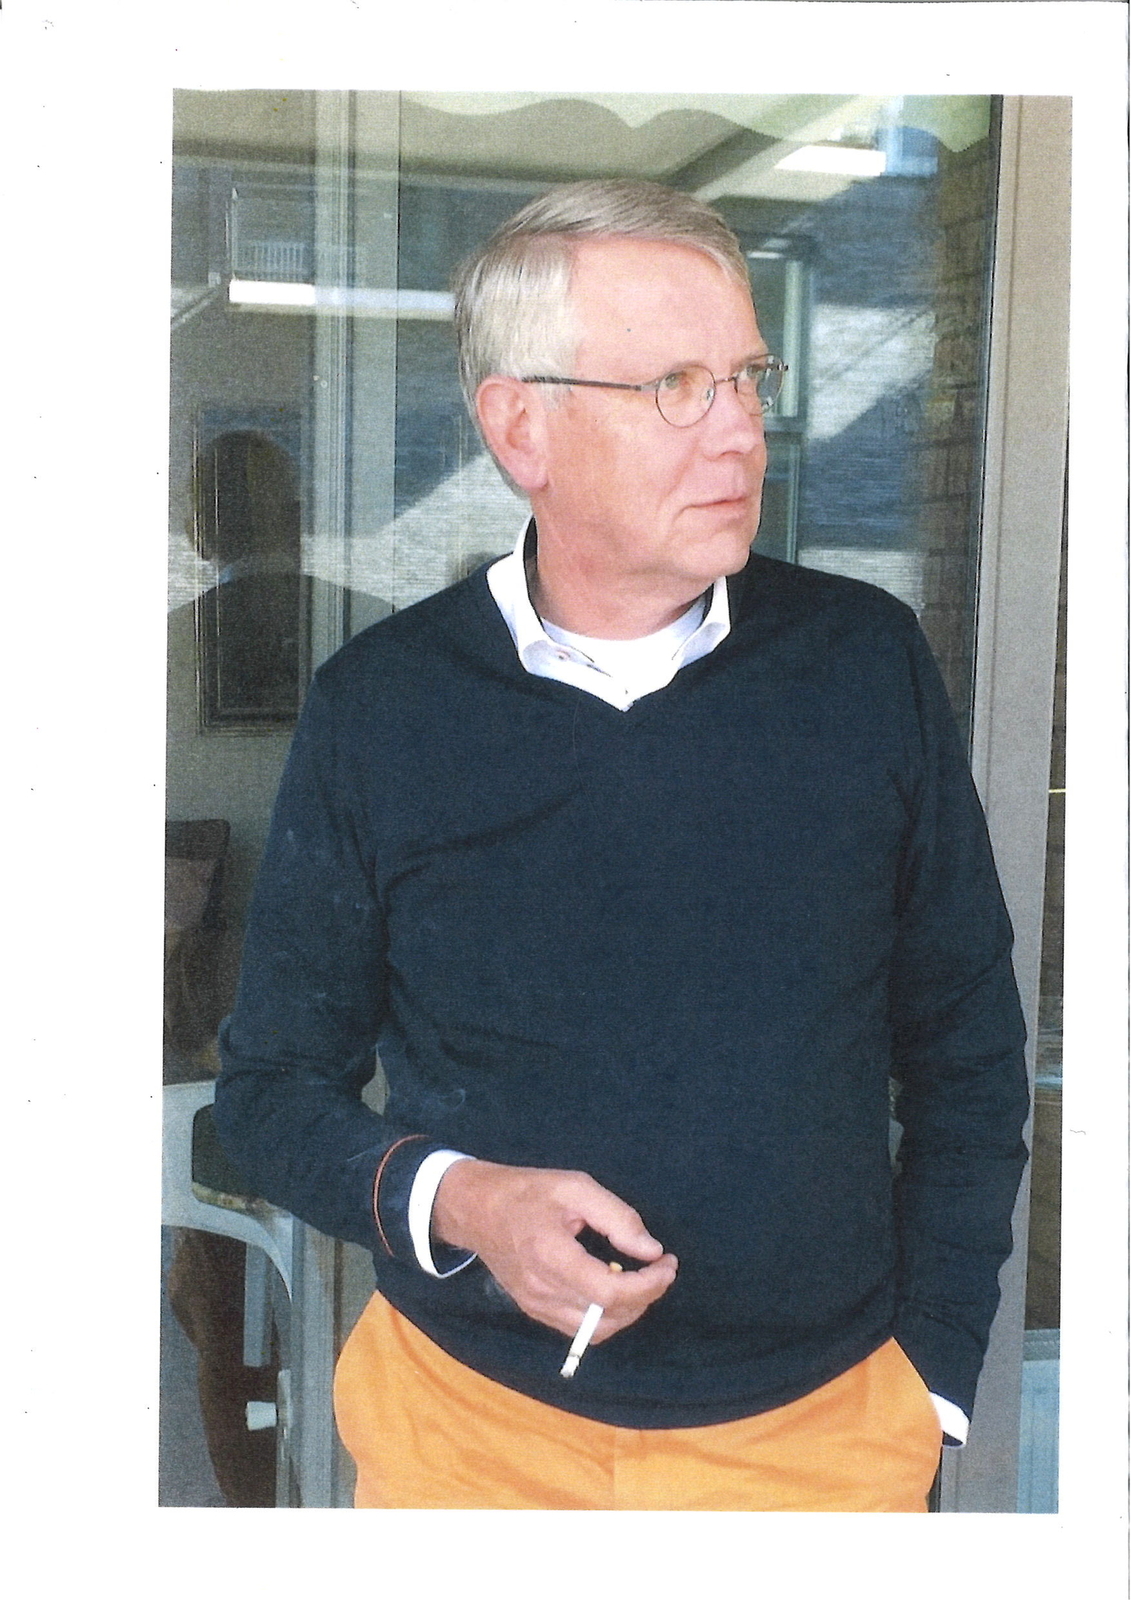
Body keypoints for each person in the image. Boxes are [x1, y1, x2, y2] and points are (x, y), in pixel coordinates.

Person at [214, 180, 1029, 1512]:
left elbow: (971, 1055)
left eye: (749, 379)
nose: (742, 432)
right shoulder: (383, 706)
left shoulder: (865, 666)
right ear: (520, 427)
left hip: (819, 1441)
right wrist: (465, 1202)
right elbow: (268, 1095)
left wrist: (930, 1379)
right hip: (467, 1438)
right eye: (675, 387)